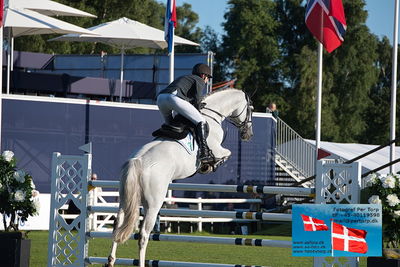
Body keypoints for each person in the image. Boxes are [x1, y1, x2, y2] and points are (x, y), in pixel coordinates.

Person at [156, 63, 213, 163]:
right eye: (208, 78)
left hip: (161, 98)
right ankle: (204, 152)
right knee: (201, 121)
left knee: (171, 126)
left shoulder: (186, 77)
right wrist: (198, 107)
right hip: (173, 99)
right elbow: (197, 99)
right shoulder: (199, 80)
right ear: (203, 76)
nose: (207, 81)